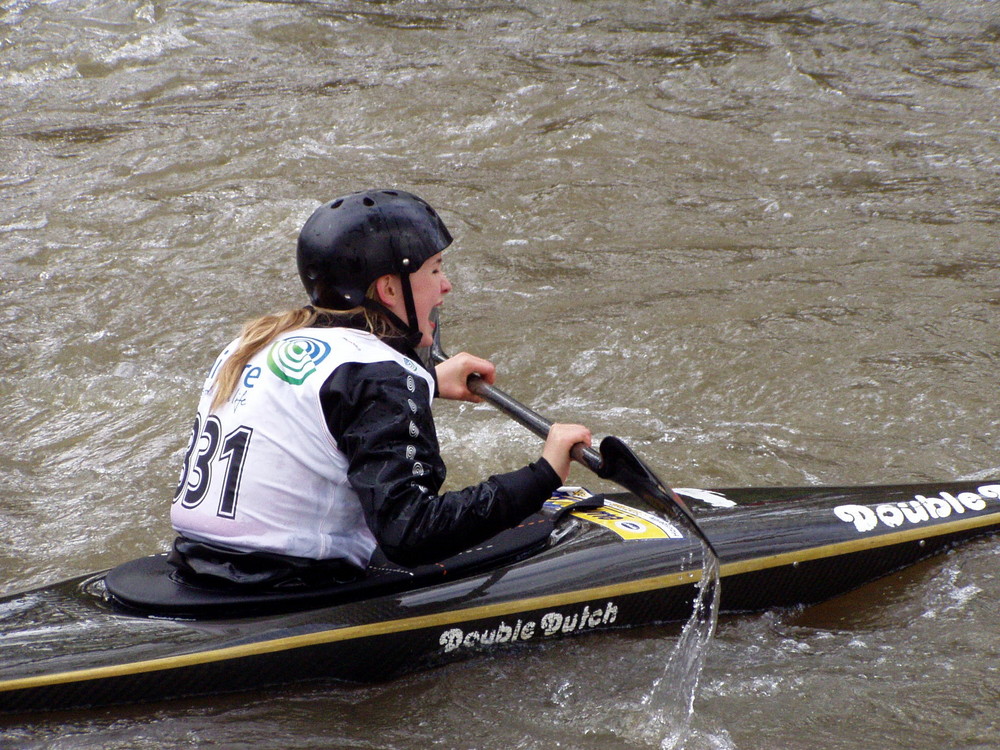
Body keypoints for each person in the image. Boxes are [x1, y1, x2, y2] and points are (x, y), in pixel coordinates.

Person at [169, 188, 591, 587]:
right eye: (435, 270)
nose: (446, 287)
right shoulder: (379, 374)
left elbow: (324, 406)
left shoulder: (257, 340)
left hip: (197, 561)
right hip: (286, 580)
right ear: (389, 288)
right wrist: (544, 473)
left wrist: (425, 382)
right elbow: (412, 534)